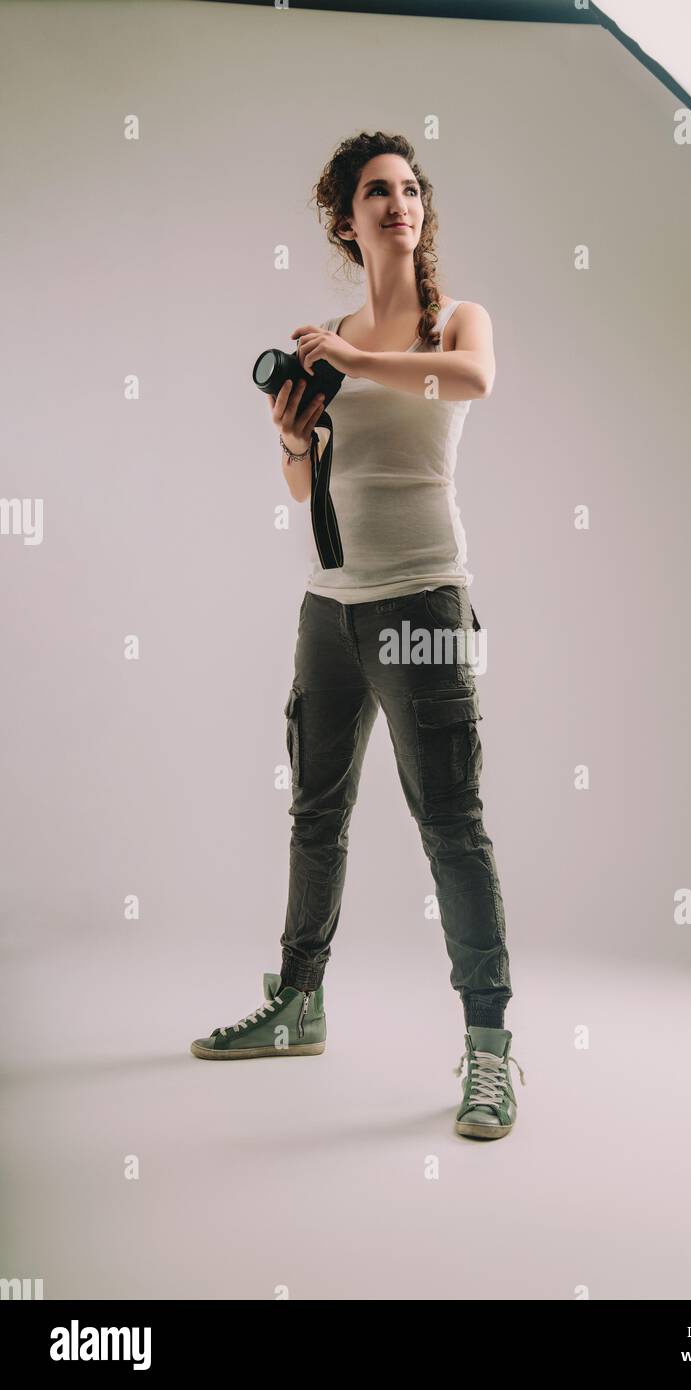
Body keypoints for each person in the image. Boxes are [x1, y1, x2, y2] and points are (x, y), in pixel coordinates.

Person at [191, 132, 524, 1140]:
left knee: (450, 825)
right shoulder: (324, 340)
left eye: (411, 188)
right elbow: (308, 485)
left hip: (423, 600)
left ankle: (488, 1056)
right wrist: (294, 436)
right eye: (377, 191)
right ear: (344, 217)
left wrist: (354, 359)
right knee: (314, 813)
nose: (399, 203)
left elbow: (466, 383)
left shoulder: (448, 322)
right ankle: (297, 1005)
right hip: (329, 606)